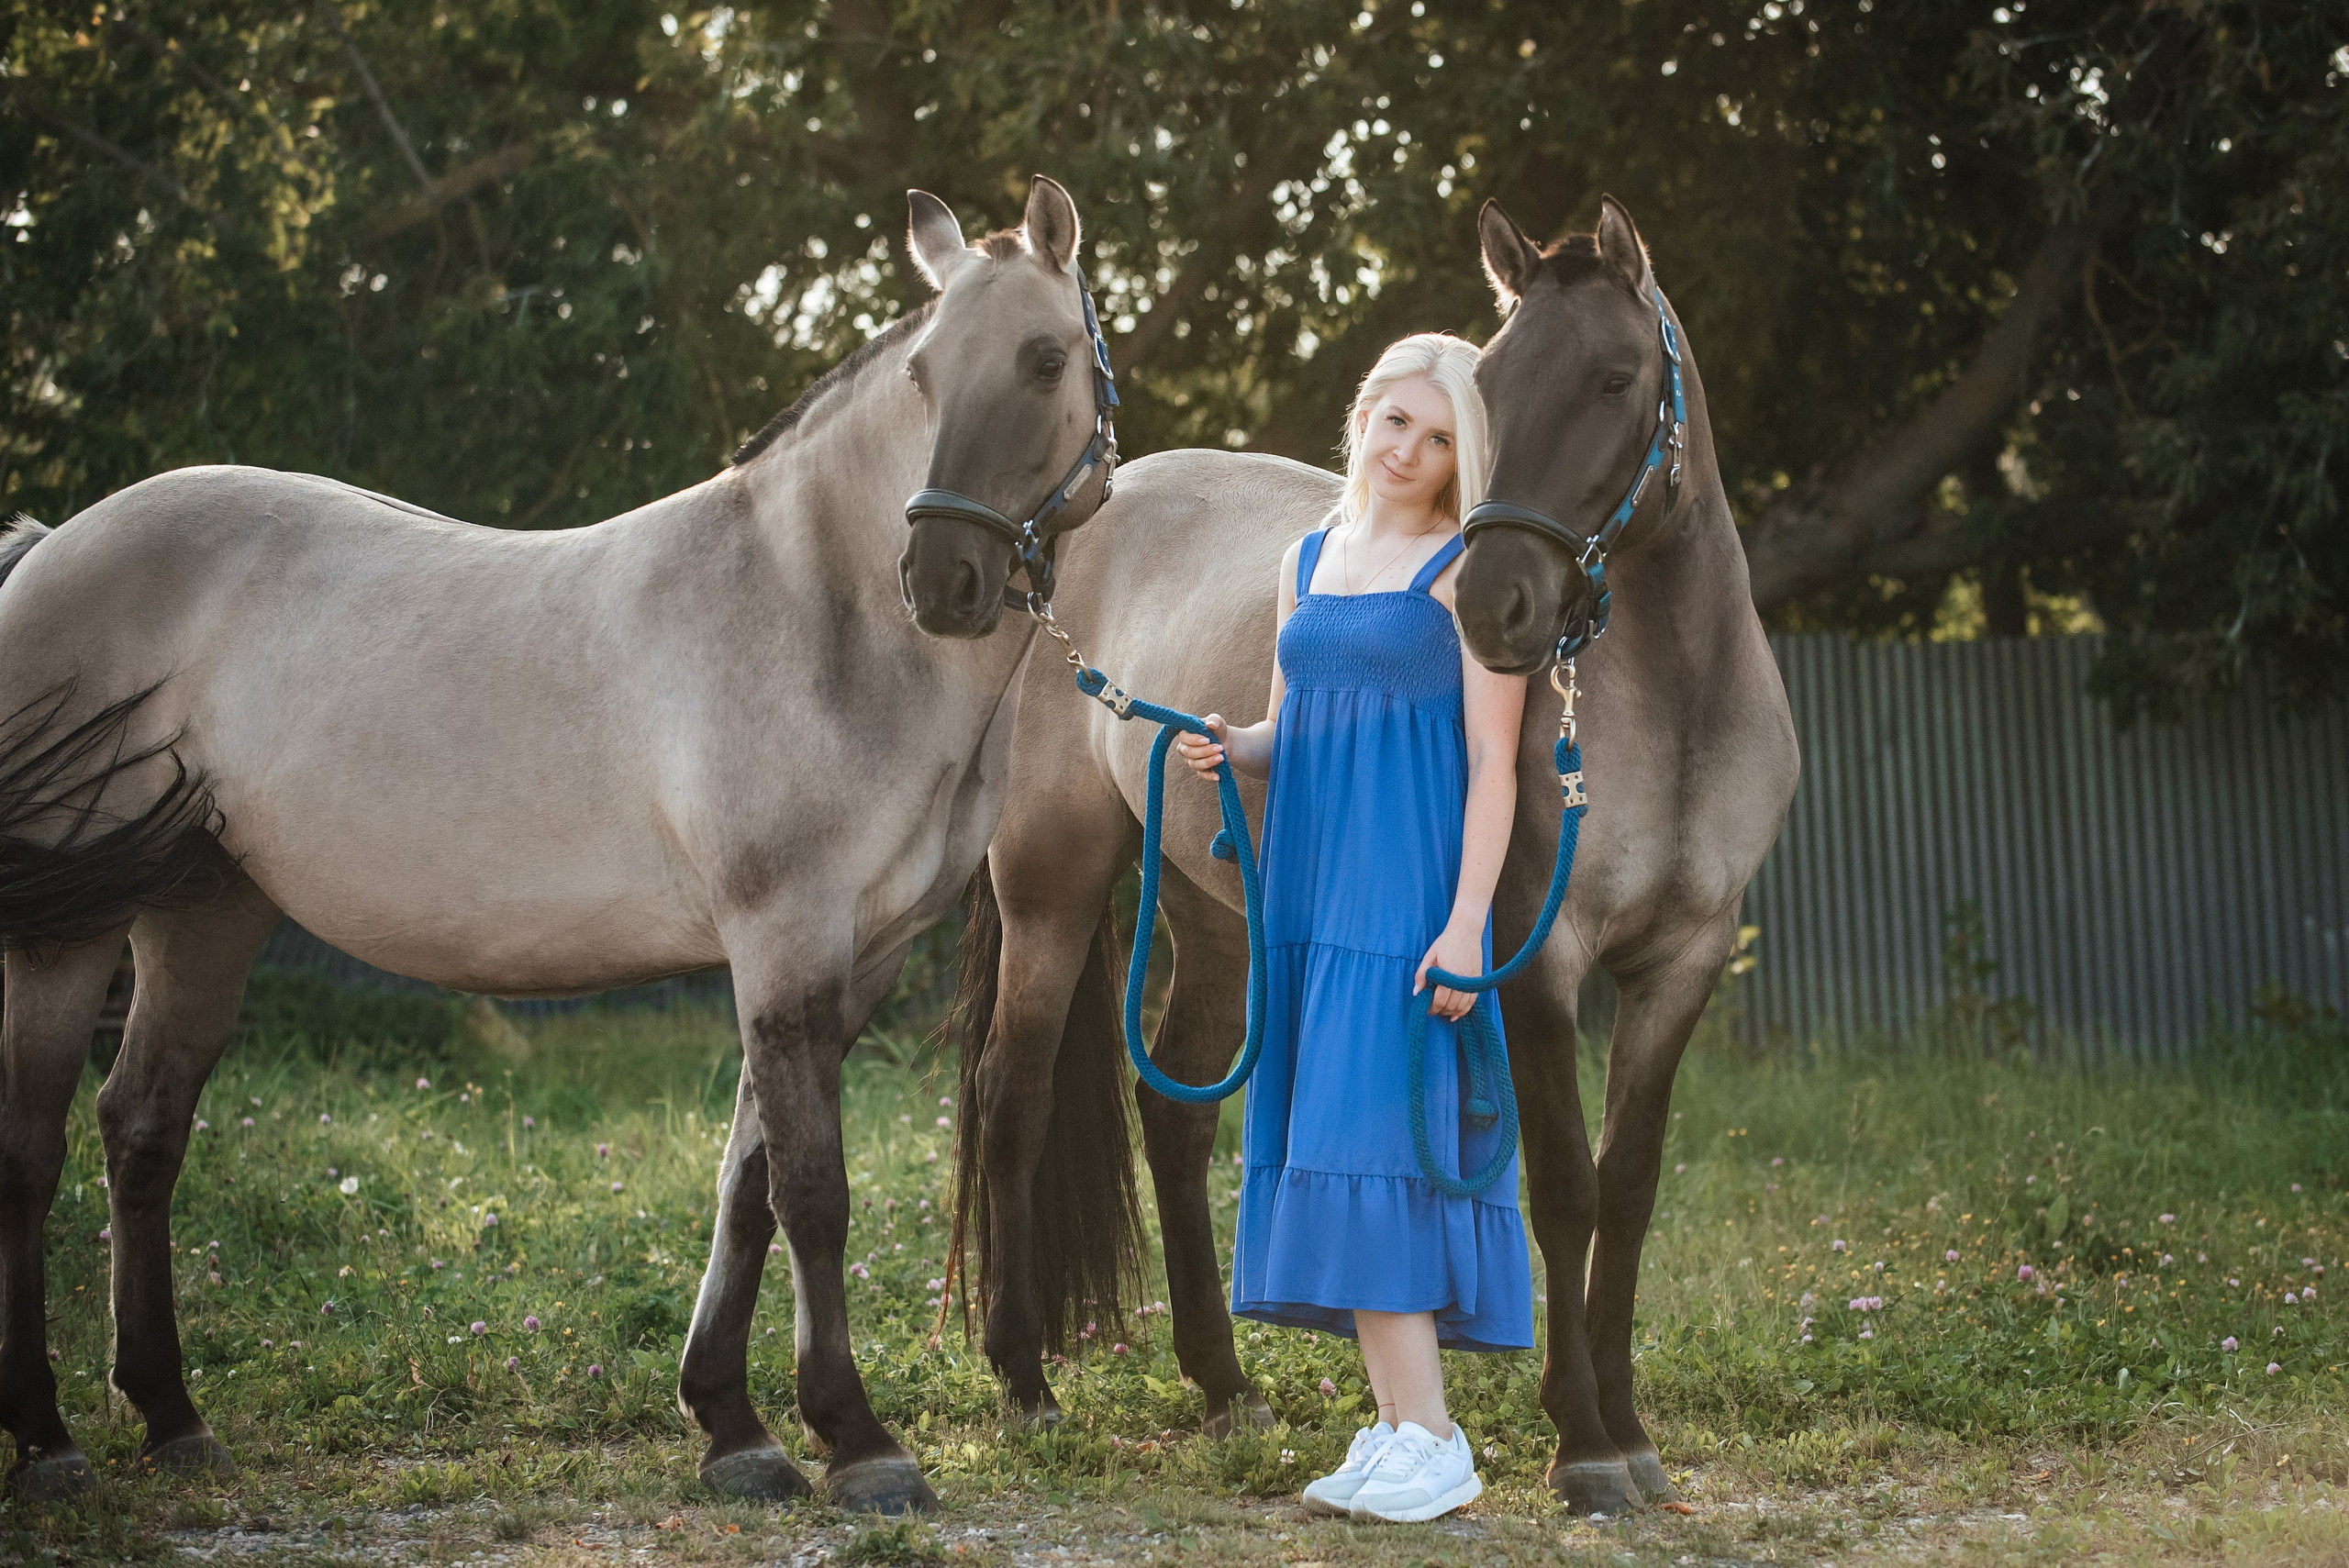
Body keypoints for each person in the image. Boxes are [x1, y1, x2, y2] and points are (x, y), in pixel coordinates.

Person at [1176, 332, 1531, 1524]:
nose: (1411, 454)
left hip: (1407, 887)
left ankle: (1434, 1437)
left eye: (1440, 440)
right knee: (1335, 1136)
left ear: (1461, 454)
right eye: (1398, 424)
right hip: (1313, 891)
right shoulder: (1308, 557)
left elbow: (1494, 761)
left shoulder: (1467, 570)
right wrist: (1236, 747)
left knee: (1383, 1140)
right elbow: (1299, 721)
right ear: (1364, 416)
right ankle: (1393, 1426)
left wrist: (1469, 922)